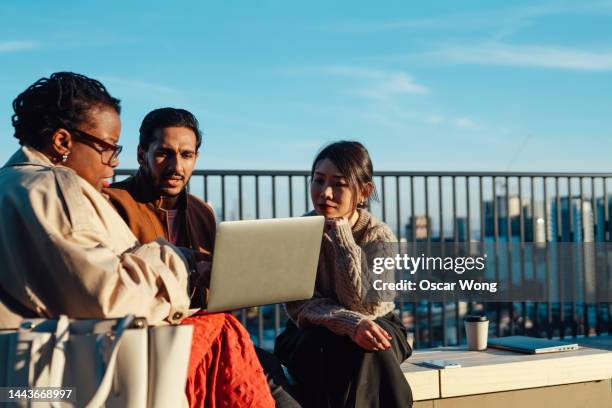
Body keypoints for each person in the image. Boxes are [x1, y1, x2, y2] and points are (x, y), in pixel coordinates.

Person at [0, 72, 274, 408]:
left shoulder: (12, 184)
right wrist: (182, 264)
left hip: (24, 380)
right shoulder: (52, 189)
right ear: (62, 142)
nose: (113, 163)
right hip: (63, 385)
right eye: (107, 147)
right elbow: (107, 296)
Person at [105, 107, 300, 407]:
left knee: (273, 373)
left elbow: (213, 296)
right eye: (164, 154)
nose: (176, 166)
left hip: (206, 335)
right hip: (149, 341)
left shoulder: (202, 213)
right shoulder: (114, 204)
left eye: (186, 155)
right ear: (141, 154)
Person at [274, 141, 413, 408]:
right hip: (310, 331)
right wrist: (349, 324)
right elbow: (299, 305)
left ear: (363, 191)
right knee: (331, 345)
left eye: (338, 184)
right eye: (318, 180)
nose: (324, 193)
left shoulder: (378, 235)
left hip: (379, 322)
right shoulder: (297, 232)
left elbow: (367, 305)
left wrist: (343, 239)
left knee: (371, 345)